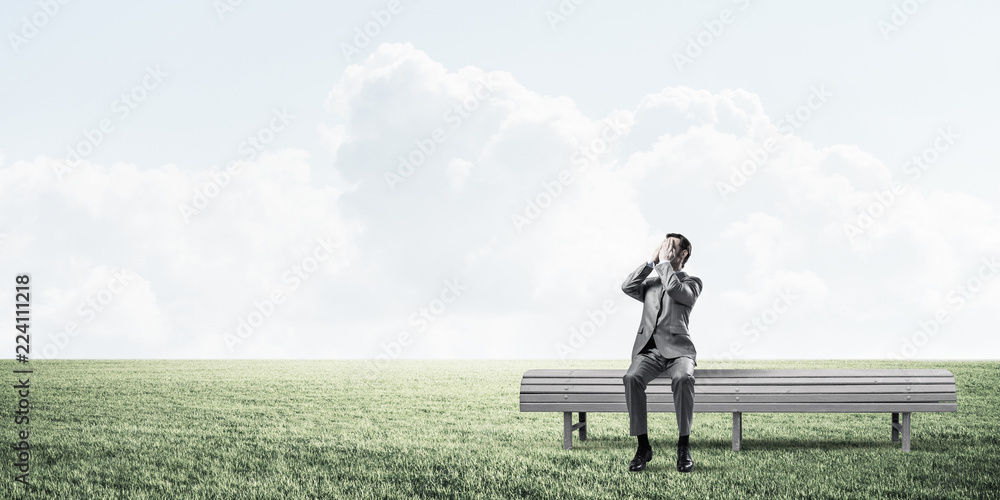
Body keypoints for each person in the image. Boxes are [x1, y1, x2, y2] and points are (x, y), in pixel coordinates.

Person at [620, 233, 703, 472]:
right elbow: (627, 287)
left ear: (683, 253)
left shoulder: (692, 282)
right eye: (663, 245)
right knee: (631, 378)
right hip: (649, 351)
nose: (665, 248)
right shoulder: (651, 284)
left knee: (684, 378)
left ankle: (684, 446)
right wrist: (651, 261)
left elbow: (676, 291)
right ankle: (643, 446)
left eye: (671, 246)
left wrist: (664, 264)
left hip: (679, 351)